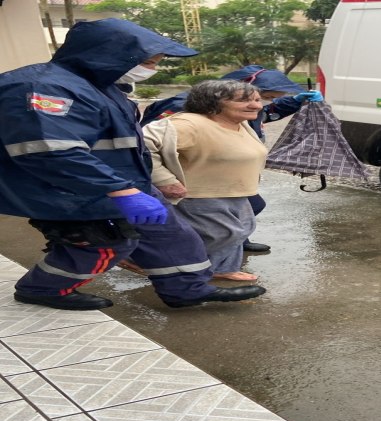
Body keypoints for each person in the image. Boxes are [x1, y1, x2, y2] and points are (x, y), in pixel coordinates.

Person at [0, 18, 265, 310]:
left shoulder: (103, 87)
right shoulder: (44, 87)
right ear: (108, 55)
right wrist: (122, 192)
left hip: (125, 184)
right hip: (72, 190)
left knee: (174, 236)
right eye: (149, 61)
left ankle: (188, 290)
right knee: (106, 244)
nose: (152, 68)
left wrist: (136, 187)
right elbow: (49, 150)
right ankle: (42, 289)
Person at [140, 65, 324, 253]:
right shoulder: (184, 109)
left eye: (265, 99)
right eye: (268, 97)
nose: (260, 105)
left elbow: (262, 116)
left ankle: (227, 249)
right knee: (225, 224)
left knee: (241, 218)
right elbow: (148, 142)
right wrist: (164, 179)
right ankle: (182, 255)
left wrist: (294, 101)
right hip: (198, 180)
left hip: (229, 173)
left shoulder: (239, 107)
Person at [143, 80, 269, 282]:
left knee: (242, 230)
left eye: (256, 99)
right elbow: (142, 144)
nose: (256, 105)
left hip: (235, 191)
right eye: (244, 100)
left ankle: (221, 268)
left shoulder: (239, 123)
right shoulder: (189, 123)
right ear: (212, 103)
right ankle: (158, 262)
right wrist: (163, 179)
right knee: (225, 233)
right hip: (198, 194)